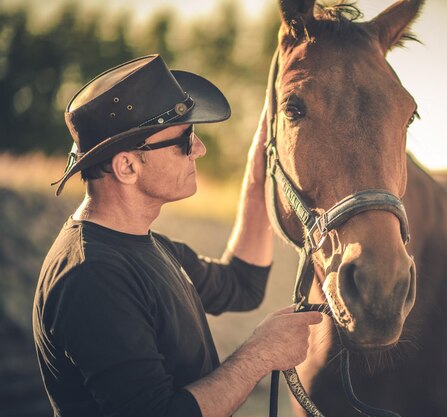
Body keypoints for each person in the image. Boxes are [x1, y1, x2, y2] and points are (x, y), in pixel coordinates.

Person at [32, 54, 322, 417]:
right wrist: (260, 355)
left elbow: (242, 283)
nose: (198, 149)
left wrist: (261, 164)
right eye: (185, 140)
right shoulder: (91, 275)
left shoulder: (148, 245)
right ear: (127, 166)